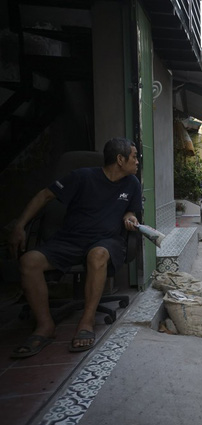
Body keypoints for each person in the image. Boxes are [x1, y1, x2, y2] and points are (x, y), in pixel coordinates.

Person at [8, 138, 142, 357]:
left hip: (106, 241)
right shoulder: (82, 176)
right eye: (134, 156)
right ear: (120, 159)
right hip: (70, 240)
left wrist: (130, 218)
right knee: (28, 261)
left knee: (97, 255)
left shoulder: (132, 183)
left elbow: (131, 211)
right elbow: (45, 195)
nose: (137, 161)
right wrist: (20, 226)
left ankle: (86, 322)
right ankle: (45, 326)